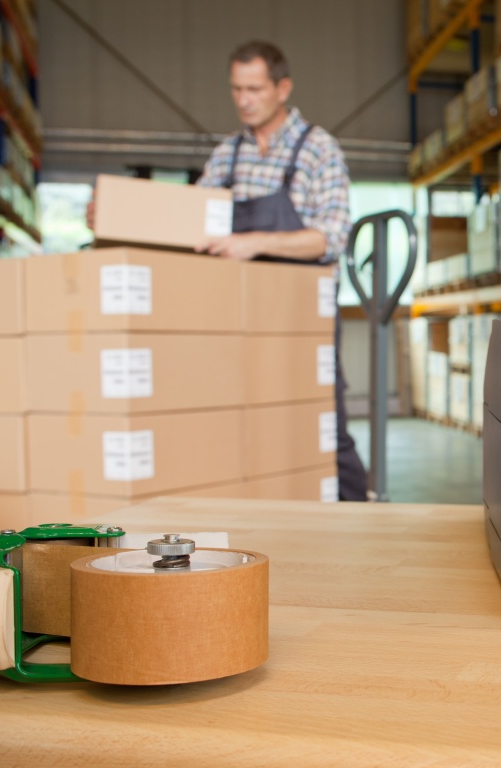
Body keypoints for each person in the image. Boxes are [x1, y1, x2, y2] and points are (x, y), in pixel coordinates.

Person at [193, 40, 368, 501]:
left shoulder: (317, 149)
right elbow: (191, 220)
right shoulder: (227, 155)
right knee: (248, 421)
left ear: (282, 87)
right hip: (240, 316)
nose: (244, 99)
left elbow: (331, 236)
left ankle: (358, 515)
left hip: (301, 317)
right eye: (236, 89)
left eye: (254, 88)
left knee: (322, 422)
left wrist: (255, 242)